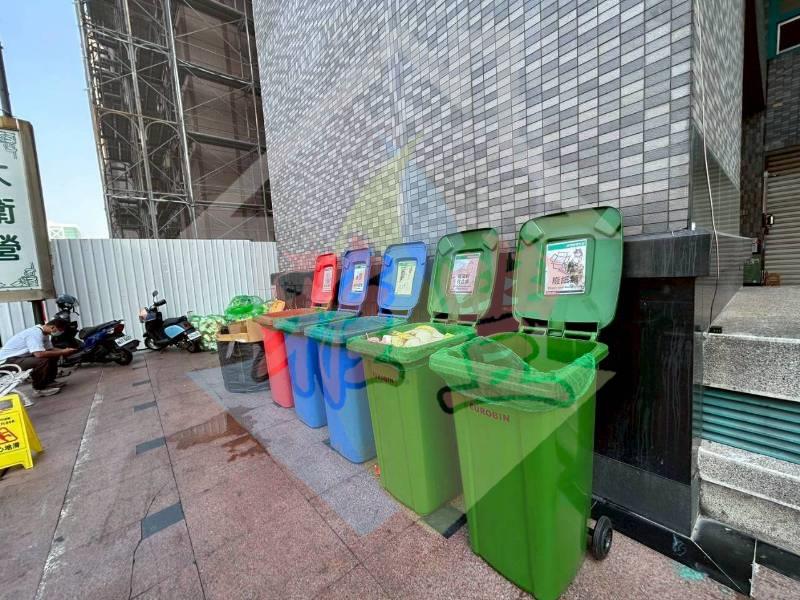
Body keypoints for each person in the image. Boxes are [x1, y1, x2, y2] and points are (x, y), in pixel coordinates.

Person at [0, 319, 77, 397]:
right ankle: (39, 389)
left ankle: (49, 382)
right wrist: (63, 352)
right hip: (7, 361)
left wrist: (65, 350)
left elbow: (50, 349)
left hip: (17, 358)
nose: (61, 332)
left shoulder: (45, 334)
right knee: (42, 360)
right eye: (60, 330)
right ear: (52, 327)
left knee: (53, 355)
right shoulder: (35, 333)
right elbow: (39, 354)